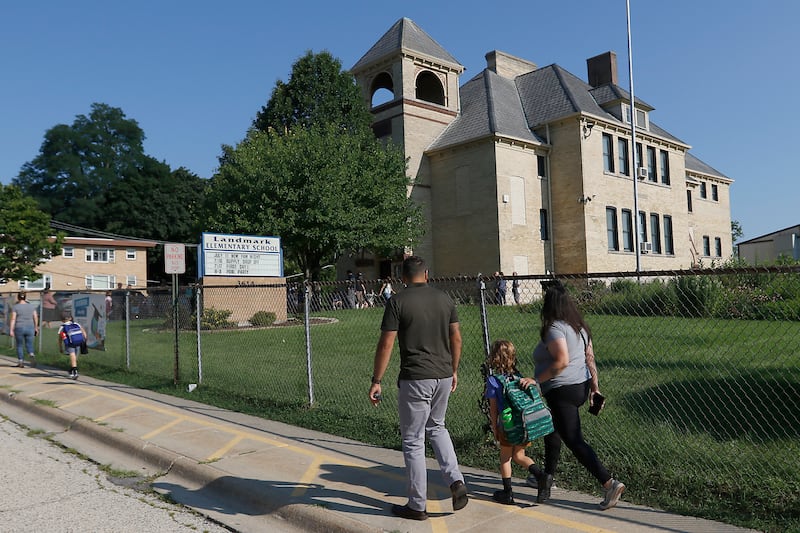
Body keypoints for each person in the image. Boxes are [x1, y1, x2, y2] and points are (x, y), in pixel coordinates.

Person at [369, 255, 468, 520]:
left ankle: (416, 505)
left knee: (413, 441)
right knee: (437, 427)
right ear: (427, 274)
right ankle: (456, 481)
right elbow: (456, 338)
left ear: (402, 278)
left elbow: (386, 344)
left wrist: (376, 380)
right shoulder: (445, 299)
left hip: (416, 378)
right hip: (444, 375)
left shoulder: (397, 301)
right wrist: (454, 369)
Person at [519, 280, 625, 510]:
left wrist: (536, 381)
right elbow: (590, 359)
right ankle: (547, 477)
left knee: (574, 439)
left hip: (562, 390)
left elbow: (562, 361)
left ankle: (609, 483)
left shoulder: (555, 328)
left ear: (549, 305)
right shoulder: (579, 327)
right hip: (581, 386)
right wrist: (595, 388)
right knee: (552, 430)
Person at [484, 339, 544, 505]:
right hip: (523, 423)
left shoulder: (493, 380)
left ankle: (507, 493)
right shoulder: (519, 376)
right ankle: (541, 476)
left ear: (494, 358)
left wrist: (494, 426)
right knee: (519, 455)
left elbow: (493, 407)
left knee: (505, 458)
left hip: (507, 424)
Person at [9, 292, 38, 368]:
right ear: (25, 297)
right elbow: (35, 317)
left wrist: (11, 330)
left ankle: (21, 361)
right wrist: (36, 327)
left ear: (18, 298)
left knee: (19, 345)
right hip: (30, 327)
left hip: (19, 327)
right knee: (29, 343)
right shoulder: (31, 306)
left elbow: (13, 319)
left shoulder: (16, 307)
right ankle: (31, 354)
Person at [57, 310, 87, 380]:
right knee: (75, 357)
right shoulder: (76, 324)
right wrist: (84, 341)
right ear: (70, 318)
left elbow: (60, 339)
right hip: (79, 342)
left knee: (72, 355)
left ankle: (74, 371)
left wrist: (60, 348)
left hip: (70, 343)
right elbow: (84, 333)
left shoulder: (62, 327)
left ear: (62, 320)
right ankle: (71, 369)